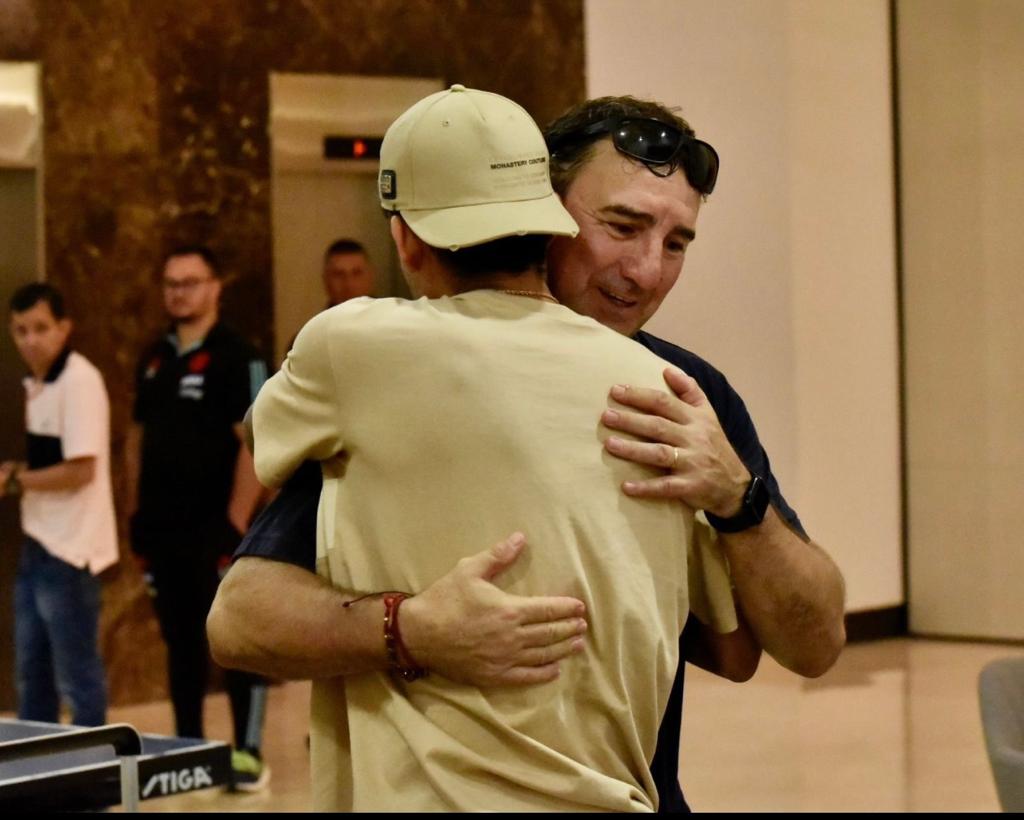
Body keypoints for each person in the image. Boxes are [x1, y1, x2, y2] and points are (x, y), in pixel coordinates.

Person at [210, 94, 847, 809]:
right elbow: (243, 619)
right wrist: (411, 628)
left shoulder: (683, 396)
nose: (646, 271)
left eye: (676, 244)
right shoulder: (402, 376)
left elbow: (785, 647)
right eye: (622, 225)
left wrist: (738, 500)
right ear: (539, 209)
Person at [124, 245, 271, 791]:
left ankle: (249, 752)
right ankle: (187, 752)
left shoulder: (241, 356)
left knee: (238, 642)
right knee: (181, 644)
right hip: (164, 531)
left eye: (189, 282)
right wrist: (135, 512)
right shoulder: (153, 357)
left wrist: (235, 524)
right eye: (170, 283)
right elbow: (137, 439)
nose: (178, 292)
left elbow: (257, 444)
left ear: (216, 287)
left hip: (220, 532)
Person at [1, 283, 116, 728]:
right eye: (20, 330)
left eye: (40, 328)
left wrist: (13, 482)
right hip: (37, 543)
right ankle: (39, 779)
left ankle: (97, 782)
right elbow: (55, 461)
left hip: (70, 552)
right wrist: (22, 472)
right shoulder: (38, 383)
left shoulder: (79, 380)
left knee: (77, 678)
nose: (30, 340)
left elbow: (80, 470)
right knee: (32, 676)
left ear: (64, 328)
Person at [321, 238, 375, 307]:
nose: (349, 285)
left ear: (370, 276)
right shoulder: (320, 318)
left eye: (357, 273)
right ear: (326, 280)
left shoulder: (390, 316)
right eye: (338, 274)